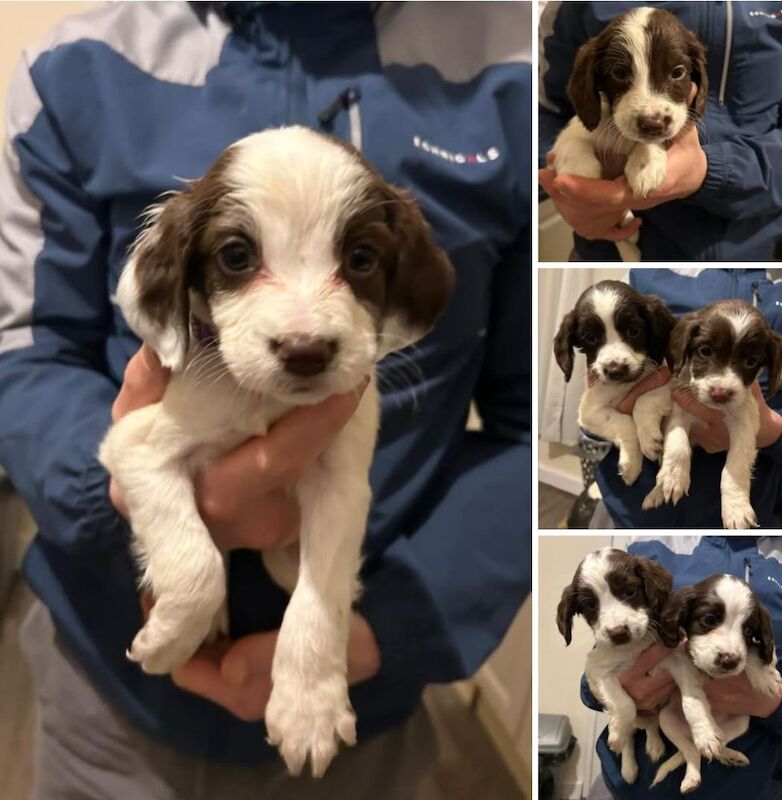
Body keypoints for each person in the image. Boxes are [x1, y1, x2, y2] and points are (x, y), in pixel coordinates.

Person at [0, 3, 532, 797]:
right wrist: (134, 514)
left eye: (358, 260)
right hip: (108, 687)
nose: (306, 332)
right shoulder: (75, 66)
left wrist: (375, 635)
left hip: (364, 706)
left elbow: (543, 436)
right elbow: (23, 353)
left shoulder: (525, 71)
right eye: (238, 256)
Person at [538, 2, 782, 262]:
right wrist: (572, 195)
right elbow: (544, 113)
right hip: (605, 249)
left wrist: (710, 170)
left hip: (755, 245)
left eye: (677, 72)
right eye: (620, 73)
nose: (651, 116)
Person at [583, 536, 782, 800]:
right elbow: (595, 676)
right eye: (709, 620)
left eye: (745, 630)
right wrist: (619, 693)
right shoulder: (646, 545)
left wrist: (772, 706)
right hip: (628, 789)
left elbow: (766, 647)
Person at [592, 268, 782, 529]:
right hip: (628, 512)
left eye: (750, 361)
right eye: (705, 351)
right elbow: (592, 414)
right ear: (683, 348)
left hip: (749, 523)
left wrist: (771, 432)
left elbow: (748, 424)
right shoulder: (640, 279)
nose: (722, 387)